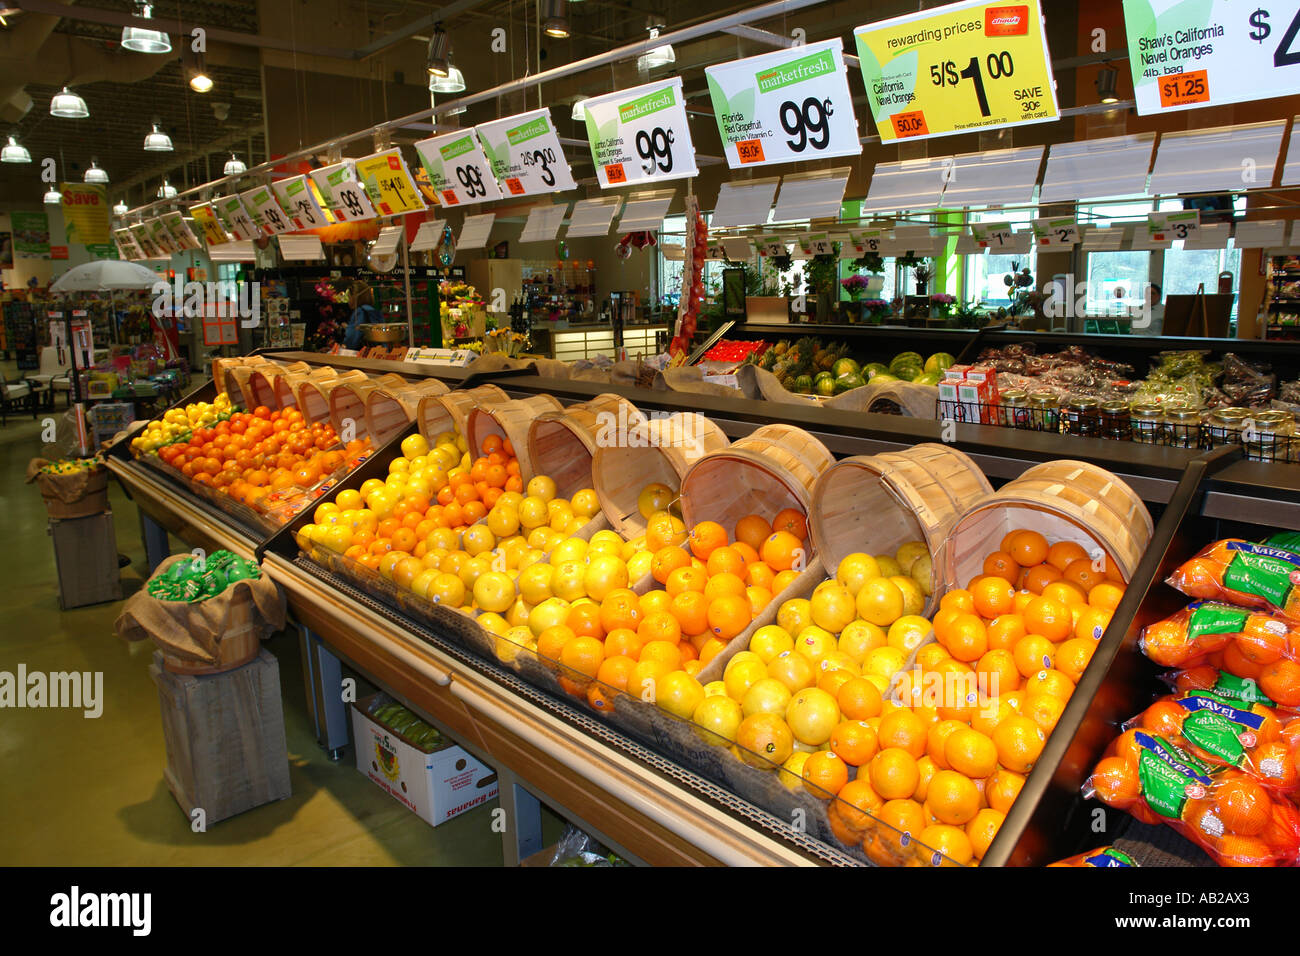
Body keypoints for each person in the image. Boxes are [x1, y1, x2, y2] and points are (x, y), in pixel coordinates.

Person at [343, 281, 379, 349]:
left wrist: (347, 329)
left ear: (355, 297)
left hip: (361, 354)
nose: (348, 301)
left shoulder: (359, 312)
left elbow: (352, 339)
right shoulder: (371, 310)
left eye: (349, 297)